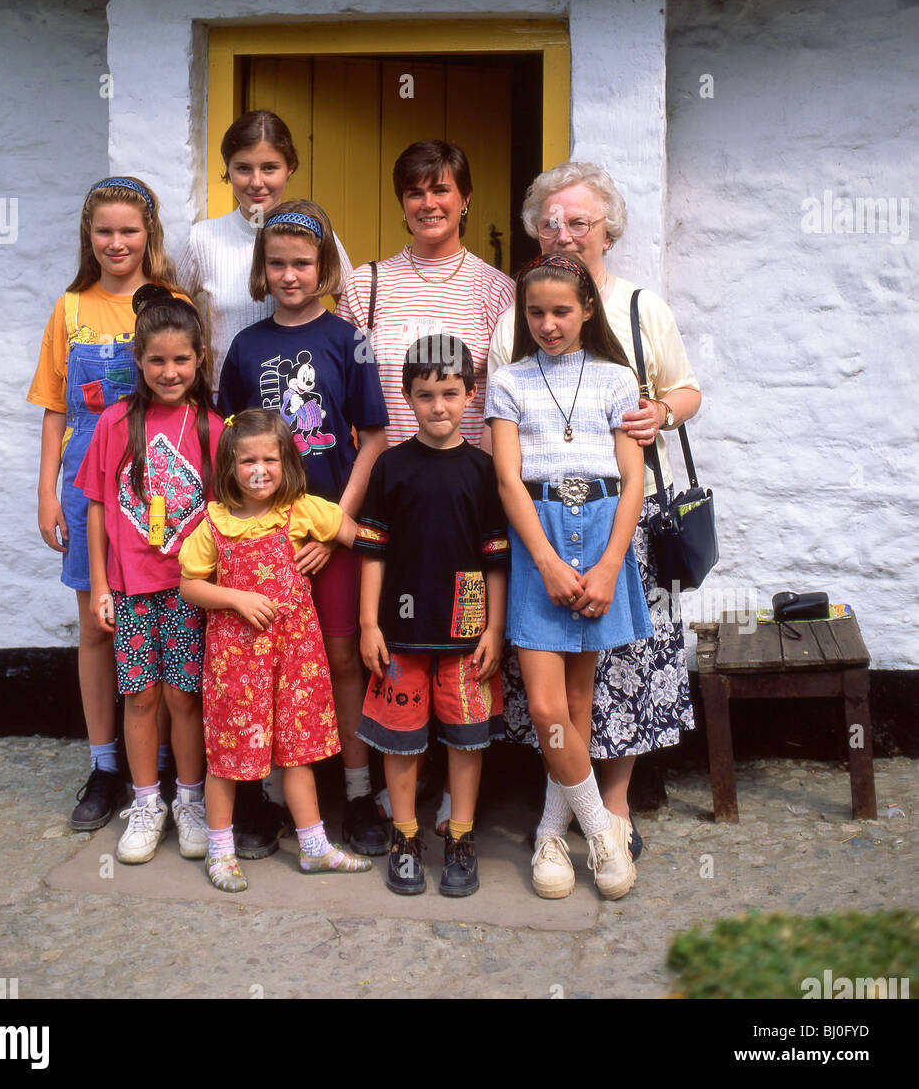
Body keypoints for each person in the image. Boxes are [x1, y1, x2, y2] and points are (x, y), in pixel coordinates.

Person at [488, 163, 700, 861]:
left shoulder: (640, 309)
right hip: (542, 524)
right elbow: (507, 440)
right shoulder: (517, 352)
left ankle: (611, 811)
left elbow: (684, 389)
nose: (562, 233)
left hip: (621, 516)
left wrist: (658, 413)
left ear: (605, 228)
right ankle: (567, 819)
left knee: (622, 673)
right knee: (559, 690)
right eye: (549, 222)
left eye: (576, 221)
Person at [216, 200, 389, 855]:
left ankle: (354, 791)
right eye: (278, 264)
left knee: (342, 659)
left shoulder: (347, 339)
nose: (290, 276)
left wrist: (334, 525)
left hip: (330, 535)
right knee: (262, 662)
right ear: (263, 269)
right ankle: (264, 798)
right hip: (262, 540)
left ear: (323, 267)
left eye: (303, 264)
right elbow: (229, 443)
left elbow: (372, 437)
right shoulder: (246, 346)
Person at [487, 254, 653, 901]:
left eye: (561, 311)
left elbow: (633, 478)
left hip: (604, 534)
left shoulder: (616, 379)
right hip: (539, 539)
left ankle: (549, 838)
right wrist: (548, 562)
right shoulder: (509, 382)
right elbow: (507, 478)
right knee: (546, 706)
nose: (548, 323)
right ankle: (601, 833)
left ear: (586, 309)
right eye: (535, 312)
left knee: (579, 705)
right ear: (521, 316)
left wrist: (610, 563)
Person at [28, 176, 185, 832]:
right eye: (104, 231)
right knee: (98, 624)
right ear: (88, 238)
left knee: (171, 623)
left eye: (128, 230)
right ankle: (105, 765)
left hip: (158, 489)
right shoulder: (70, 309)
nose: (116, 242)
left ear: (148, 234)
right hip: (86, 488)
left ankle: (176, 771)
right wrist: (45, 490)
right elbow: (55, 406)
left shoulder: (170, 302)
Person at [179, 410, 373, 892]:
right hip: (236, 663)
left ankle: (314, 846)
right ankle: (221, 851)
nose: (260, 470)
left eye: (270, 458)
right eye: (248, 461)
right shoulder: (214, 523)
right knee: (227, 754)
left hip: (295, 659)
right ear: (230, 466)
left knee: (298, 752)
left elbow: (363, 540)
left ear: (287, 462)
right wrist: (235, 598)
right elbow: (188, 586)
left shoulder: (304, 511)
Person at [355, 336, 508, 897]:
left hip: (467, 636)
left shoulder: (483, 469)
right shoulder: (391, 467)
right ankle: (405, 837)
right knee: (401, 743)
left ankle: (461, 838)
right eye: (425, 395)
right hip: (399, 636)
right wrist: (370, 625)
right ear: (407, 398)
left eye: (450, 393)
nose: (438, 406)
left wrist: (493, 627)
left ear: (470, 393)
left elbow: (495, 558)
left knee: (466, 741)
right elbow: (372, 551)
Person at [76, 288, 224, 865]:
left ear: (200, 357)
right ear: (138, 361)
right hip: (132, 590)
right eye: (157, 360)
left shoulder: (213, 427)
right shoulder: (115, 423)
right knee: (139, 697)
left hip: (188, 590)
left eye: (181, 359)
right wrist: (101, 585)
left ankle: (189, 800)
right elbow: (94, 506)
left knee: (185, 698)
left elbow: (224, 515)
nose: (169, 371)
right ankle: (145, 801)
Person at [336, 139, 514, 450]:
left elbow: (515, 399)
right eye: (415, 193)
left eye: (440, 190)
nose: (427, 203)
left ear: (465, 198)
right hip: (383, 481)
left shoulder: (496, 289)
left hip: (466, 484)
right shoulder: (366, 285)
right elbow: (341, 386)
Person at [178, 111, 352, 394]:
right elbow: (170, 315)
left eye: (270, 168)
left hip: (306, 401)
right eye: (243, 168)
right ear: (228, 169)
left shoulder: (317, 233)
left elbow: (354, 306)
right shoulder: (203, 239)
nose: (256, 182)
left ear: (290, 167)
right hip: (231, 406)